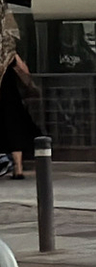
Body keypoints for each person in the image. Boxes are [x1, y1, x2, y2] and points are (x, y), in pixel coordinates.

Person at [0, 50, 40, 178]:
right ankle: (18, 168)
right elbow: (24, 71)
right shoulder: (9, 54)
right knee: (15, 131)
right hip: (11, 98)